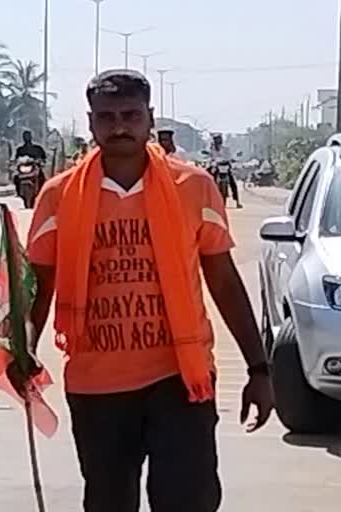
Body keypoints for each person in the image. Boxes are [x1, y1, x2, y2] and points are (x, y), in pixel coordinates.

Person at [21, 70, 273, 512]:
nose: (120, 126)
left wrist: (259, 367)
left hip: (181, 380)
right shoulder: (58, 196)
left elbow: (223, 279)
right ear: (91, 121)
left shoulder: (193, 186)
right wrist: (23, 349)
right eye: (108, 116)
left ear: (149, 117)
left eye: (131, 115)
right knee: (108, 501)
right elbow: (39, 285)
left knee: (188, 499)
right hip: (96, 385)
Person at [209, 133, 242, 208]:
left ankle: (237, 201)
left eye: (218, 139)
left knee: (232, 182)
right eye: (216, 140)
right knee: (208, 178)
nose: (217, 141)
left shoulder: (226, 148)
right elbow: (210, 157)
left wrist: (232, 160)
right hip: (216, 166)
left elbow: (230, 157)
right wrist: (212, 161)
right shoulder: (212, 149)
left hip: (225, 166)